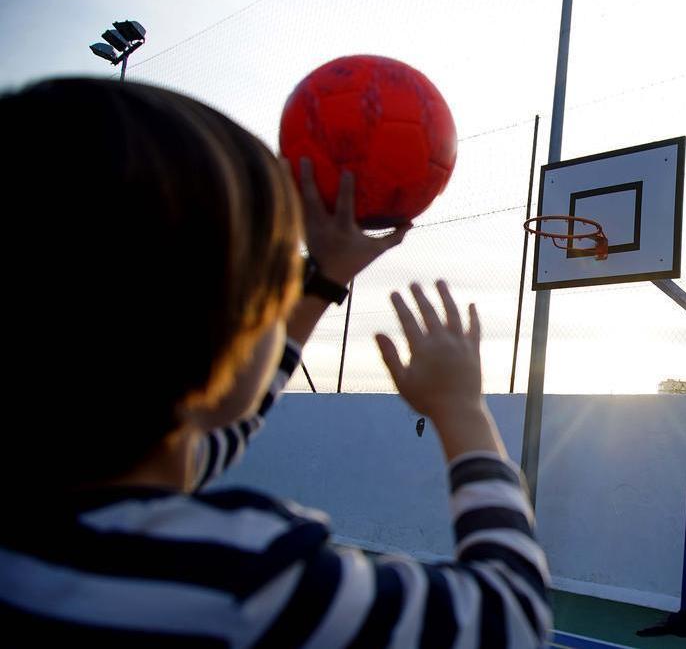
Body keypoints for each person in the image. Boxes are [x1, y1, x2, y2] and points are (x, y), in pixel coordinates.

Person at [0, 78, 551, 647]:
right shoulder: (241, 578)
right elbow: (512, 617)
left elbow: (223, 428)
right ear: (219, 334)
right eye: (276, 280)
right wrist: (463, 412)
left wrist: (325, 278)